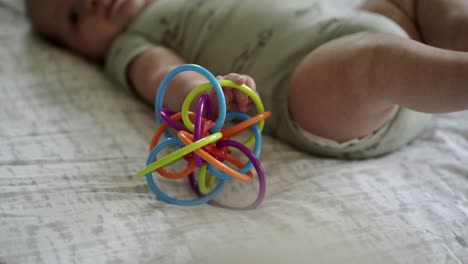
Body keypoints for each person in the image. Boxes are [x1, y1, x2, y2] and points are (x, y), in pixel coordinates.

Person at [25, 0, 468, 159]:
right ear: (76, 52)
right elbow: (163, 75)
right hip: (311, 85)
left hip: (351, 30)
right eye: (75, 14)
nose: (94, 1)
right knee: (377, 64)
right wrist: (211, 96)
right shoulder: (130, 44)